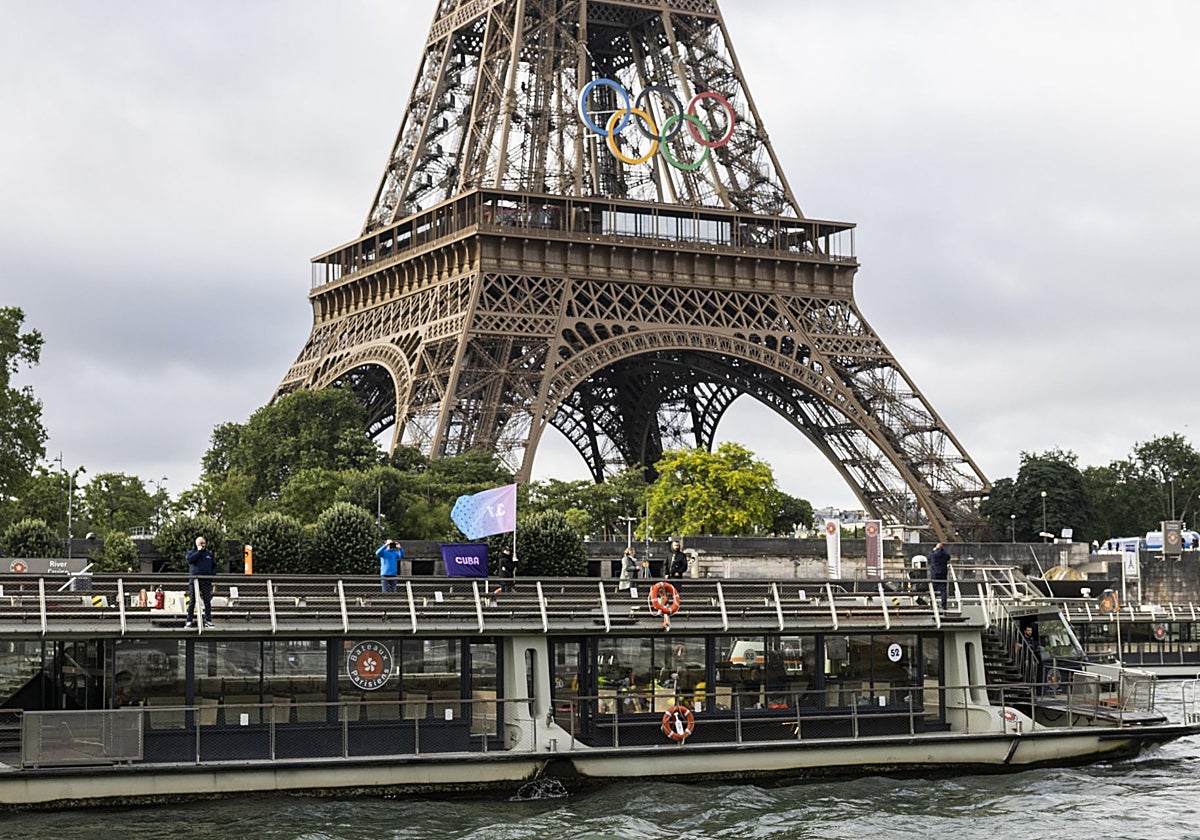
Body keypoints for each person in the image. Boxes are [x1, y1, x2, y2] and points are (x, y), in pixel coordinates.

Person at [185, 535, 216, 629]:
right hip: (194, 581)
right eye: (201, 543)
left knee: (207, 601)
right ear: (197, 543)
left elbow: (214, 565)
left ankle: (208, 620)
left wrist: (211, 574)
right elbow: (190, 560)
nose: (203, 545)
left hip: (206, 581)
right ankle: (189, 621)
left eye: (204, 543)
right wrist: (198, 552)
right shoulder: (191, 553)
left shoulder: (209, 554)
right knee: (192, 601)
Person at [927, 542, 950, 609]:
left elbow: (929, 556)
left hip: (934, 573)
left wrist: (934, 550)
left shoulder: (933, 555)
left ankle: (932, 604)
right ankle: (944, 605)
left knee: (933, 589)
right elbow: (948, 557)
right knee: (943, 590)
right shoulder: (945, 555)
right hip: (943, 573)